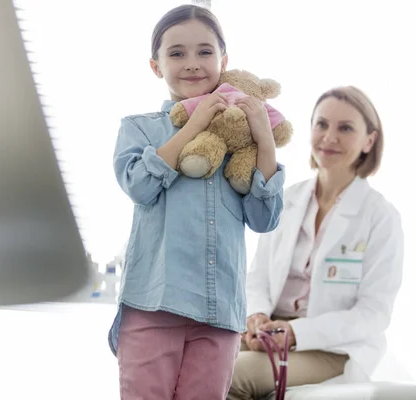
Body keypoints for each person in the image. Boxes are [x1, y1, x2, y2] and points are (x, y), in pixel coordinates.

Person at [108, 4, 286, 400]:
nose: (192, 63)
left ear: (224, 61)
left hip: (219, 314)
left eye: (205, 52)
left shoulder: (242, 137)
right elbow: (139, 186)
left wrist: (265, 138)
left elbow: (265, 218)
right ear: (155, 65)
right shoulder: (138, 128)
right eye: (176, 53)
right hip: (153, 306)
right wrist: (194, 124)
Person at [227, 86, 404, 400]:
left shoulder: (380, 217)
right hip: (269, 330)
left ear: (369, 141)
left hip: (330, 347)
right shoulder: (288, 199)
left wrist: (296, 333)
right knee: (190, 357)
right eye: (322, 124)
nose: (329, 137)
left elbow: (374, 313)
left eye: (345, 128)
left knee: (233, 375)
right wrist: (255, 317)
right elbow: (257, 277)